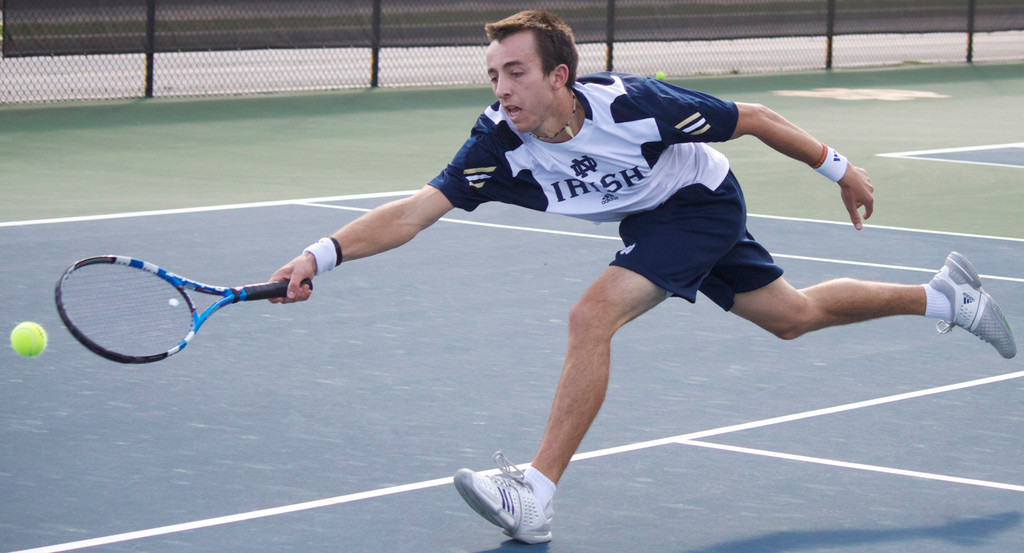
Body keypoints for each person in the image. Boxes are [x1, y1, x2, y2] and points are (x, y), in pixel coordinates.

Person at [269, 10, 1016, 545]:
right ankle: (947, 294)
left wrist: (840, 168)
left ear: (559, 75)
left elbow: (751, 116)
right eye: (494, 73)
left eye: (517, 71)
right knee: (792, 315)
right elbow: (414, 212)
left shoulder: (630, 104)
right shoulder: (497, 143)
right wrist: (319, 253)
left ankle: (535, 492)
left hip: (697, 204)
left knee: (590, 316)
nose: (502, 88)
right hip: (652, 220)